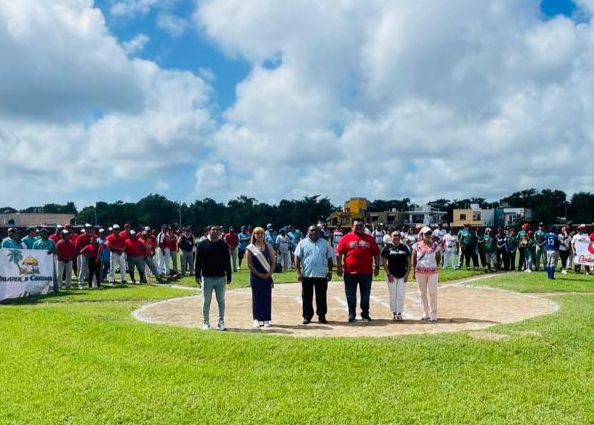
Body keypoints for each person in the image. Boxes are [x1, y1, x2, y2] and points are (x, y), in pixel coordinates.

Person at [335, 219, 380, 323]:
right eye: (356, 225)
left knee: (365, 295)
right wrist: (339, 267)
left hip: (366, 272)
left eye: (361, 225)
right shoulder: (346, 238)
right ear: (352, 227)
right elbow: (339, 253)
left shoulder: (370, 239)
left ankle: (365, 314)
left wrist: (377, 266)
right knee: (350, 295)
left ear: (364, 227)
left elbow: (376, 253)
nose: (359, 227)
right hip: (350, 272)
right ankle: (352, 314)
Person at [294, 225, 334, 324]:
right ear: (308, 231)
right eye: (311, 230)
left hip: (321, 274)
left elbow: (329, 258)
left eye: (315, 230)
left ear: (319, 231)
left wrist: (330, 271)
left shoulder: (325, 243)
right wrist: (298, 272)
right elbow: (297, 258)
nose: (313, 232)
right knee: (306, 296)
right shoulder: (302, 243)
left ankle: (322, 316)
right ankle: (307, 316)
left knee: (321, 296)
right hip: (307, 274)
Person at [195, 225, 232, 331]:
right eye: (213, 229)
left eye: (217, 230)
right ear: (209, 231)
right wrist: (197, 275)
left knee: (221, 300)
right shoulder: (202, 245)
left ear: (220, 232)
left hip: (220, 277)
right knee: (206, 300)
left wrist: (229, 275)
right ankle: (205, 321)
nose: (215, 231)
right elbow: (198, 261)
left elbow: (227, 261)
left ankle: (221, 321)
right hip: (207, 277)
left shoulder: (223, 245)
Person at [246, 227, 276, 328]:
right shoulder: (250, 248)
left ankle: (266, 318)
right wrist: (259, 274)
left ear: (264, 235)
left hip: (267, 276)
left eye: (261, 234)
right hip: (255, 276)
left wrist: (270, 273)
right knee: (256, 298)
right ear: (254, 235)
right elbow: (249, 264)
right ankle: (256, 319)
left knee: (267, 297)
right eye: (257, 234)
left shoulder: (268, 246)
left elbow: (272, 262)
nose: (259, 235)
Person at [412, 226, 442, 322]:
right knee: (422, 293)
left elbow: (438, 258)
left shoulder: (435, 246)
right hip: (420, 272)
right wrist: (414, 271)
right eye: (426, 234)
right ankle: (425, 313)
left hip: (432, 272)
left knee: (433, 292)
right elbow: (414, 258)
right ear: (422, 235)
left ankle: (433, 314)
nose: (428, 235)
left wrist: (433, 266)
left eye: (429, 233)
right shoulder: (416, 246)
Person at [381, 231, 411, 321]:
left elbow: (409, 262)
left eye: (398, 235)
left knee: (401, 295)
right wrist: (388, 274)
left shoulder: (404, 247)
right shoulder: (387, 248)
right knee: (393, 294)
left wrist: (407, 274)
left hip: (402, 274)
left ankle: (399, 313)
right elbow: (384, 262)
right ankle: (394, 313)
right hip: (391, 275)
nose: (397, 237)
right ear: (390, 237)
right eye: (394, 235)